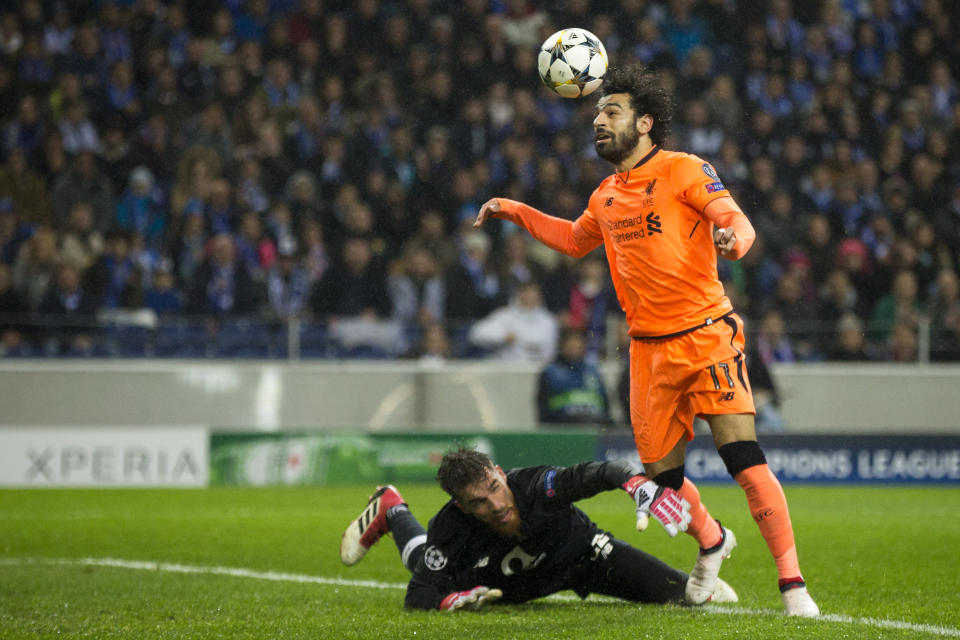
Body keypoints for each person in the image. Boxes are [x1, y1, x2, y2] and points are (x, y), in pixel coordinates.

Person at [474, 63, 818, 617]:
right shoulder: (606, 195)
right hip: (647, 353)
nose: (599, 122)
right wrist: (512, 208)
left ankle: (793, 585)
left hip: (706, 337)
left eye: (612, 112)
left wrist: (734, 241)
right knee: (663, 483)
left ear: (646, 122)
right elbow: (571, 239)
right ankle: (711, 540)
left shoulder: (685, 170)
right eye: (596, 114)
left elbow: (735, 220)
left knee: (745, 460)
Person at [340, 446, 738, 611]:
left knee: (685, 597)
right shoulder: (451, 524)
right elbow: (420, 594)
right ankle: (393, 510)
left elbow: (597, 473)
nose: (496, 505)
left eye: (495, 488)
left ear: (500, 473)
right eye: (479, 502)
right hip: (509, 584)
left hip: (583, 557)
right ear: (462, 506)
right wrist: (451, 600)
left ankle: (392, 510)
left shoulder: (536, 485)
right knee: (428, 563)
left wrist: (636, 485)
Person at [536, 328, 613, 426]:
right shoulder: (551, 372)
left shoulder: (593, 371)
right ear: (562, 346)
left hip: (595, 422)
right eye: (571, 345)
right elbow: (543, 407)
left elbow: (605, 402)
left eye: (578, 345)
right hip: (563, 424)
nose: (575, 349)